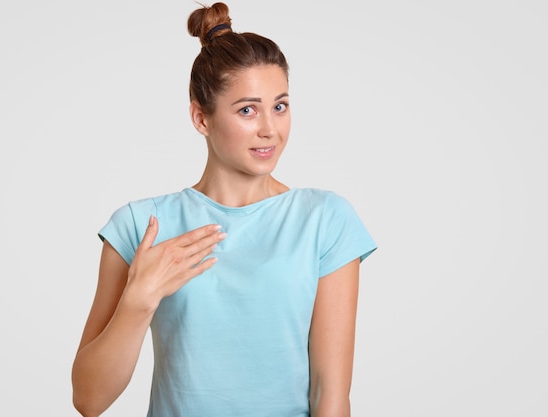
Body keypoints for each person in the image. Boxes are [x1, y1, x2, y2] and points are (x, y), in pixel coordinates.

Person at [71, 2, 377, 416]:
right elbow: (89, 400)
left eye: (280, 105)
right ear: (201, 118)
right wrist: (140, 298)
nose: (269, 128)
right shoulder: (141, 226)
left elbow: (331, 395)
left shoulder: (325, 219)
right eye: (247, 110)